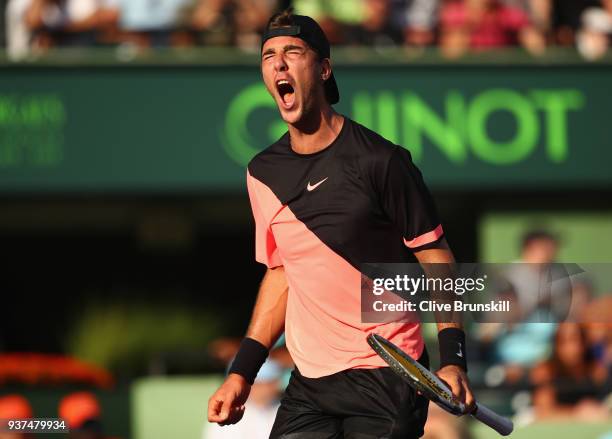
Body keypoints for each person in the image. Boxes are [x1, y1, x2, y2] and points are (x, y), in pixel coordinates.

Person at [207, 9, 475, 438]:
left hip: (388, 373)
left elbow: (436, 259)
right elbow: (281, 275)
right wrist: (242, 372)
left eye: (292, 52)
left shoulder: (382, 161)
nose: (278, 63)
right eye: (268, 55)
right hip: (309, 382)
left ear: (324, 68)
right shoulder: (262, 173)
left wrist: (452, 360)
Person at [203, 359, 283, 439]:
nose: (268, 388)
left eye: (272, 381)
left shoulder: (286, 409)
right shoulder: (225, 413)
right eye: (261, 383)